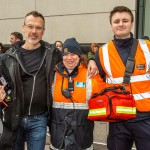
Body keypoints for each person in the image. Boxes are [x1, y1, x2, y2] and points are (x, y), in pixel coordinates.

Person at [0, 11, 62, 150]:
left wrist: (93, 60)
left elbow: (73, 61)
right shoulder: (8, 57)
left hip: (39, 119)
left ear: (43, 31)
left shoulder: (52, 53)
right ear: (23, 28)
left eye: (38, 28)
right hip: (14, 117)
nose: (34, 31)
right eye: (30, 26)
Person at [95, 6, 150, 150]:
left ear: (131, 23)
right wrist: (89, 61)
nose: (121, 24)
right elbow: (98, 81)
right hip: (118, 118)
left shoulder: (147, 47)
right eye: (116, 21)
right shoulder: (102, 52)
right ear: (111, 26)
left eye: (125, 20)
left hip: (145, 117)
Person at [50, 37, 103, 150]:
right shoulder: (54, 73)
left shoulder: (91, 73)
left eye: (73, 54)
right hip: (58, 138)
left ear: (79, 56)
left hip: (82, 138)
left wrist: (93, 60)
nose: (69, 58)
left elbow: (102, 96)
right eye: (66, 54)